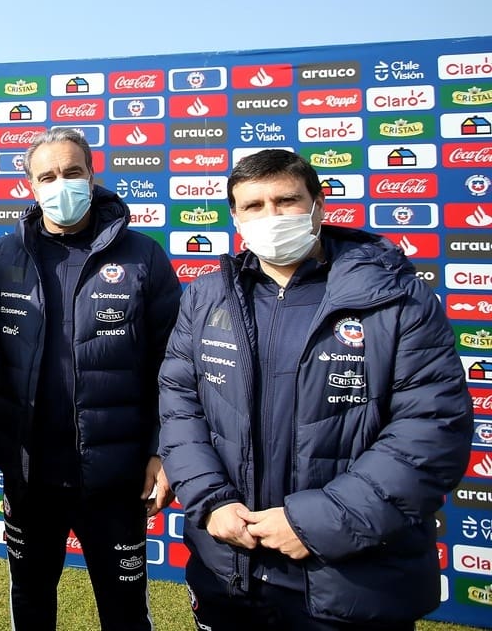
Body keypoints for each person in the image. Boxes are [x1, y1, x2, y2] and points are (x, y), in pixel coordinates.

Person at [158, 148, 473, 630]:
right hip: (230, 570)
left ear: (319, 206)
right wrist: (211, 501)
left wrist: (314, 524)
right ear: (236, 217)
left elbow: (430, 433)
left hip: (350, 582)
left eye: (286, 200)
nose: (272, 216)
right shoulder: (206, 297)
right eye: (254, 206)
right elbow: (181, 408)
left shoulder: (396, 299)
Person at [0, 127, 180, 631]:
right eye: (47, 176)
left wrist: (163, 449)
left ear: (92, 177)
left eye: (72, 172)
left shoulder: (144, 255)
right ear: (30, 187)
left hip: (115, 475)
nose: (60, 183)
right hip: (30, 476)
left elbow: (175, 366)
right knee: (30, 605)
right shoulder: (4, 257)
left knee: (125, 611)